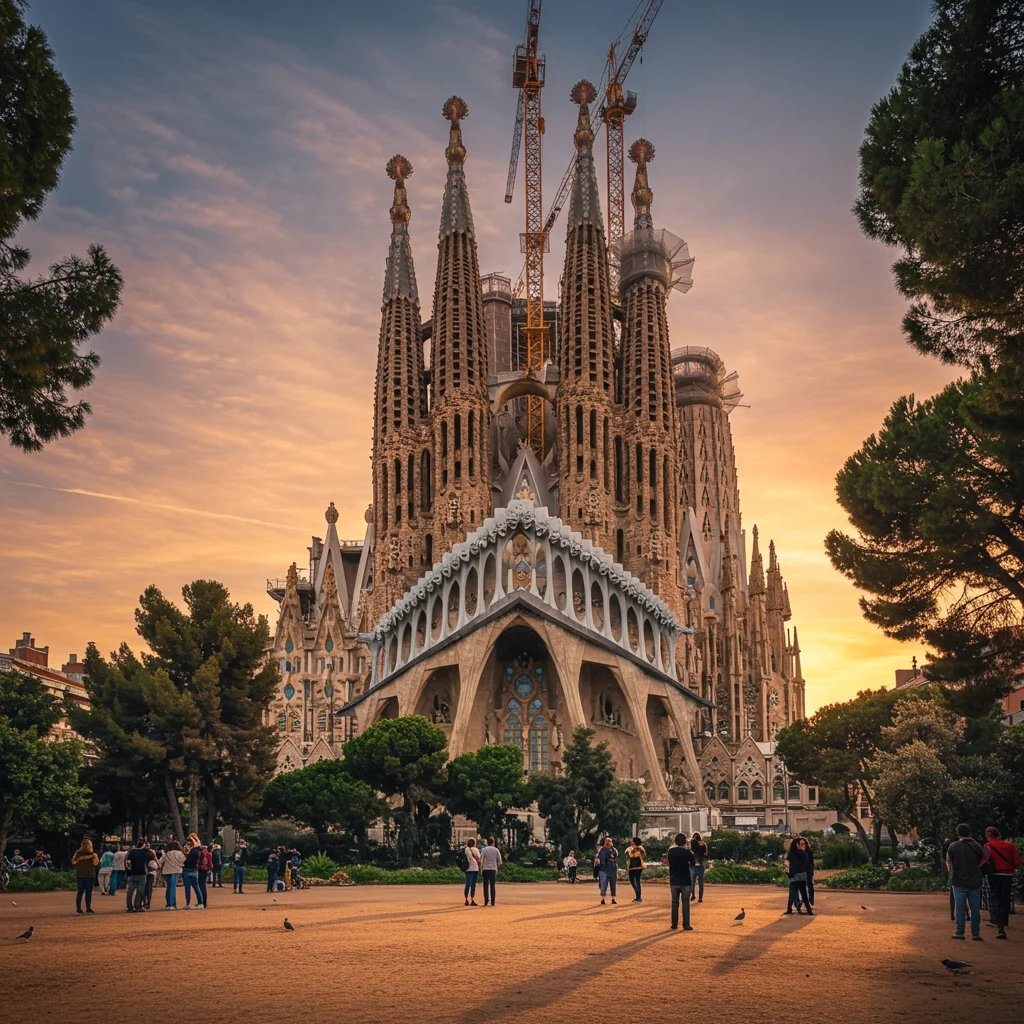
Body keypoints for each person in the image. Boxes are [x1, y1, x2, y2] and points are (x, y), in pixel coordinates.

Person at [947, 823, 988, 941]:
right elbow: (982, 860)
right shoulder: (977, 846)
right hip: (975, 881)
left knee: (959, 908)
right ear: (969, 832)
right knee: (975, 909)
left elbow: (949, 863)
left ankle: (960, 932)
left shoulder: (953, 846)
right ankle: (975, 933)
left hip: (958, 881)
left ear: (958, 833)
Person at [984, 827, 1021, 940]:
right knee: (1005, 899)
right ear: (999, 834)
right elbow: (1018, 862)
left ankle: (998, 924)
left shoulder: (987, 846)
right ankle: (1002, 924)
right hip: (1007, 875)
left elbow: (984, 862)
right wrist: (1011, 868)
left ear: (988, 836)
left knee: (995, 898)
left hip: (994, 875)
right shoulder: (1010, 845)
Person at [667, 832, 696, 930]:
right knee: (685, 903)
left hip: (674, 879)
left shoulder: (670, 851)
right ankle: (686, 924)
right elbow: (693, 862)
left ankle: (674, 924)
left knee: (674, 903)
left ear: (675, 841)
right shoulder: (687, 852)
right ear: (684, 841)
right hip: (685, 880)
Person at [784, 837, 813, 915]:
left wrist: (787, 871)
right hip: (798, 875)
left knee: (794, 893)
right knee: (802, 894)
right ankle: (807, 909)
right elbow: (805, 859)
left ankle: (791, 909)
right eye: (799, 844)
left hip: (795, 875)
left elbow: (787, 863)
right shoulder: (799, 853)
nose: (801, 845)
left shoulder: (794, 853)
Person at [72, 838, 99, 915]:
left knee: (80, 892)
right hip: (90, 875)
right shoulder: (93, 855)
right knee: (88, 892)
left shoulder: (77, 854)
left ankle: (78, 908)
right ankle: (88, 908)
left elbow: (73, 862)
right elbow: (95, 864)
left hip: (80, 874)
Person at [124, 838, 151, 913]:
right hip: (141, 873)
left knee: (130, 891)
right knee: (140, 891)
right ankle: (138, 906)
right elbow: (149, 859)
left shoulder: (131, 852)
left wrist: (129, 871)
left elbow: (127, 862)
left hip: (132, 874)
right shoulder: (145, 852)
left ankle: (129, 907)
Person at [159, 841, 184, 910]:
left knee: (169, 888)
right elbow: (183, 861)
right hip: (175, 871)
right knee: (173, 888)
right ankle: (171, 904)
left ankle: (169, 903)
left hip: (166, 872)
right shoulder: (179, 853)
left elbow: (160, 862)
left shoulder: (167, 854)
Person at [480, 836, 502, 906]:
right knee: (493, 886)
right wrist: (496, 867)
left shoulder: (484, 850)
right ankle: (493, 902)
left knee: (485, 886)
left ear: (487, 842)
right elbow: (500, 861)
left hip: (485, 869)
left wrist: (481, 867)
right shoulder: (496, 850)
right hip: (493, 869)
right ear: (493, 842)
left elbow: (481, 860)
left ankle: (486, 901)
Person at [182, 840, 204, 909]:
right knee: (197, 887)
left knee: (187, 888)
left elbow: (187, 861)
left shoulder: (191, 851)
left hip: (187, 870)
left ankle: (187, 903)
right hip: (195, 870)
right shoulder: (199, 851)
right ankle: (201, 903)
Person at [597, 837, 619, 905]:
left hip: (612, 869)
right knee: (603, 885)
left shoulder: (613, 850)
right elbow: (601, 859)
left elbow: (615, 858)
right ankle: (603, 899)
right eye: (607, 841)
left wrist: (613, 861)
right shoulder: (602, 850)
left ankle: (613, 898)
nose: (608, 843)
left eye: (609, 841)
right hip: (604, 870)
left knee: (613, 884)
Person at [625, 836, 646, 904]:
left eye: (632, 841)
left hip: (638, 867)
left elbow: (643, 855)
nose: (631, 842)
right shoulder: (629, 849)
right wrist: (633, 850)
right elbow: (629, 856)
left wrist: (638, 848)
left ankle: (638, 897)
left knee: (637, 881)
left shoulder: (640, 848)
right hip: (631, 867)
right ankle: (638, 895)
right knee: (633, 881)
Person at [462, 837, 482, 906]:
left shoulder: (466, 850)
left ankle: (466, 899)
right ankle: (472, 899)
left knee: (468, 884)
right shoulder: (476, 849)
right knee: (473, 885)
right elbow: (479, 858)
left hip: (468, 869)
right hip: (475, 868)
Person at [690, 832, 708, 903]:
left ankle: (693, 895)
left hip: (693, 865)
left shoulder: (693, 843)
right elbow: (705, 854)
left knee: (692, 882)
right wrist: (703, 845)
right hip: (701, 865)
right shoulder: (703, 844)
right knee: (701, 883)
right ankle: (700, 898)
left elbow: (692, 851)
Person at [197, 842, 213, 907]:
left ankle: (202, 902)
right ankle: (203, 902)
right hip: (205, 869)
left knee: (201, 886)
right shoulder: (206, 851)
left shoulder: (201, 852)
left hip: (200, 869)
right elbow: (210, 862)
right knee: (202, 885)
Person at [144, 843, 159, 910]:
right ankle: (147, 903)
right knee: (149, 888)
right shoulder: (151, 852)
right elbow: (156, 860)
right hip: (150, 873)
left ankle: (145, 903)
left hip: (145, 873)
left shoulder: (142, 852)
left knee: (144, 888)